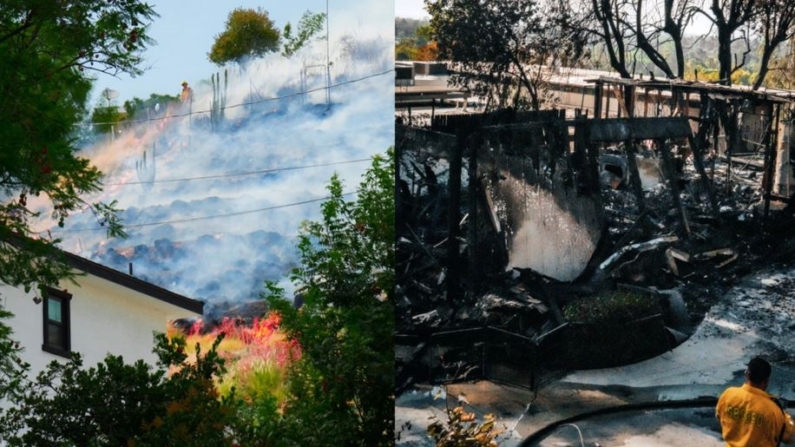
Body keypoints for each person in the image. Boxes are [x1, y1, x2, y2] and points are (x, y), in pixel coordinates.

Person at [716, 357, 795, 447]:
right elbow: (790, 437)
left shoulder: (728, 394)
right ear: (766, 381)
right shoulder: (774, 411)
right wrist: (785, 416)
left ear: (747, 374)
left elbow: (720, 416)